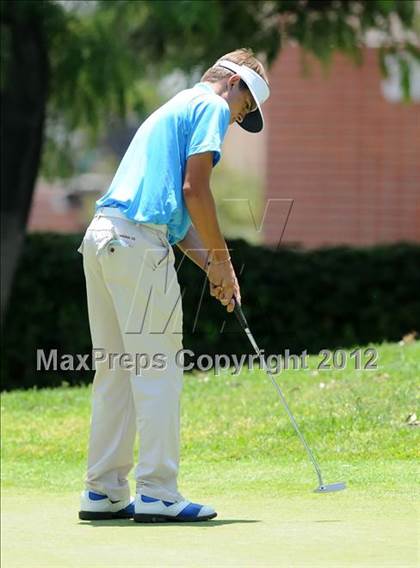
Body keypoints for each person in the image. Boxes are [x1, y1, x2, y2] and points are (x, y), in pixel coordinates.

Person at [78, 48, 270, 523]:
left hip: (103, 237)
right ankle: (159, 492)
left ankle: (103, 491)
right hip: (136, 244)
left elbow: (178, 220)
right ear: (234, 85)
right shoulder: (210, 105)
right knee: (158, 370)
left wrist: (213, 270)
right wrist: (225, 261)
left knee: (117, 371)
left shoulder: (176, 106)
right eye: (242, 111)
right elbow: (195, 189)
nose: (233, 122)